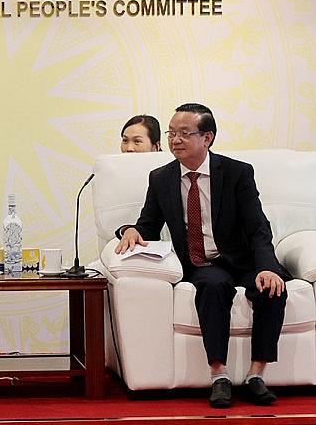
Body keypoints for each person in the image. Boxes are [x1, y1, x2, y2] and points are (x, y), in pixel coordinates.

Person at [114, 103, 288, 409]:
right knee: (211, 285)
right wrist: (129, 230)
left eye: (184, 133)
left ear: (207, 137)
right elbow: (148, 225)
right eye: (171, 133)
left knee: (272, 288)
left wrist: (267, 267)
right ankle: (219, 375)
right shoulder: (161, 178)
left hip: (243, 259)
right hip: (202, 263)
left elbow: (258, 226)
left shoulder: (237, 173)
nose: (175, 140)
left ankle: (256, 375)